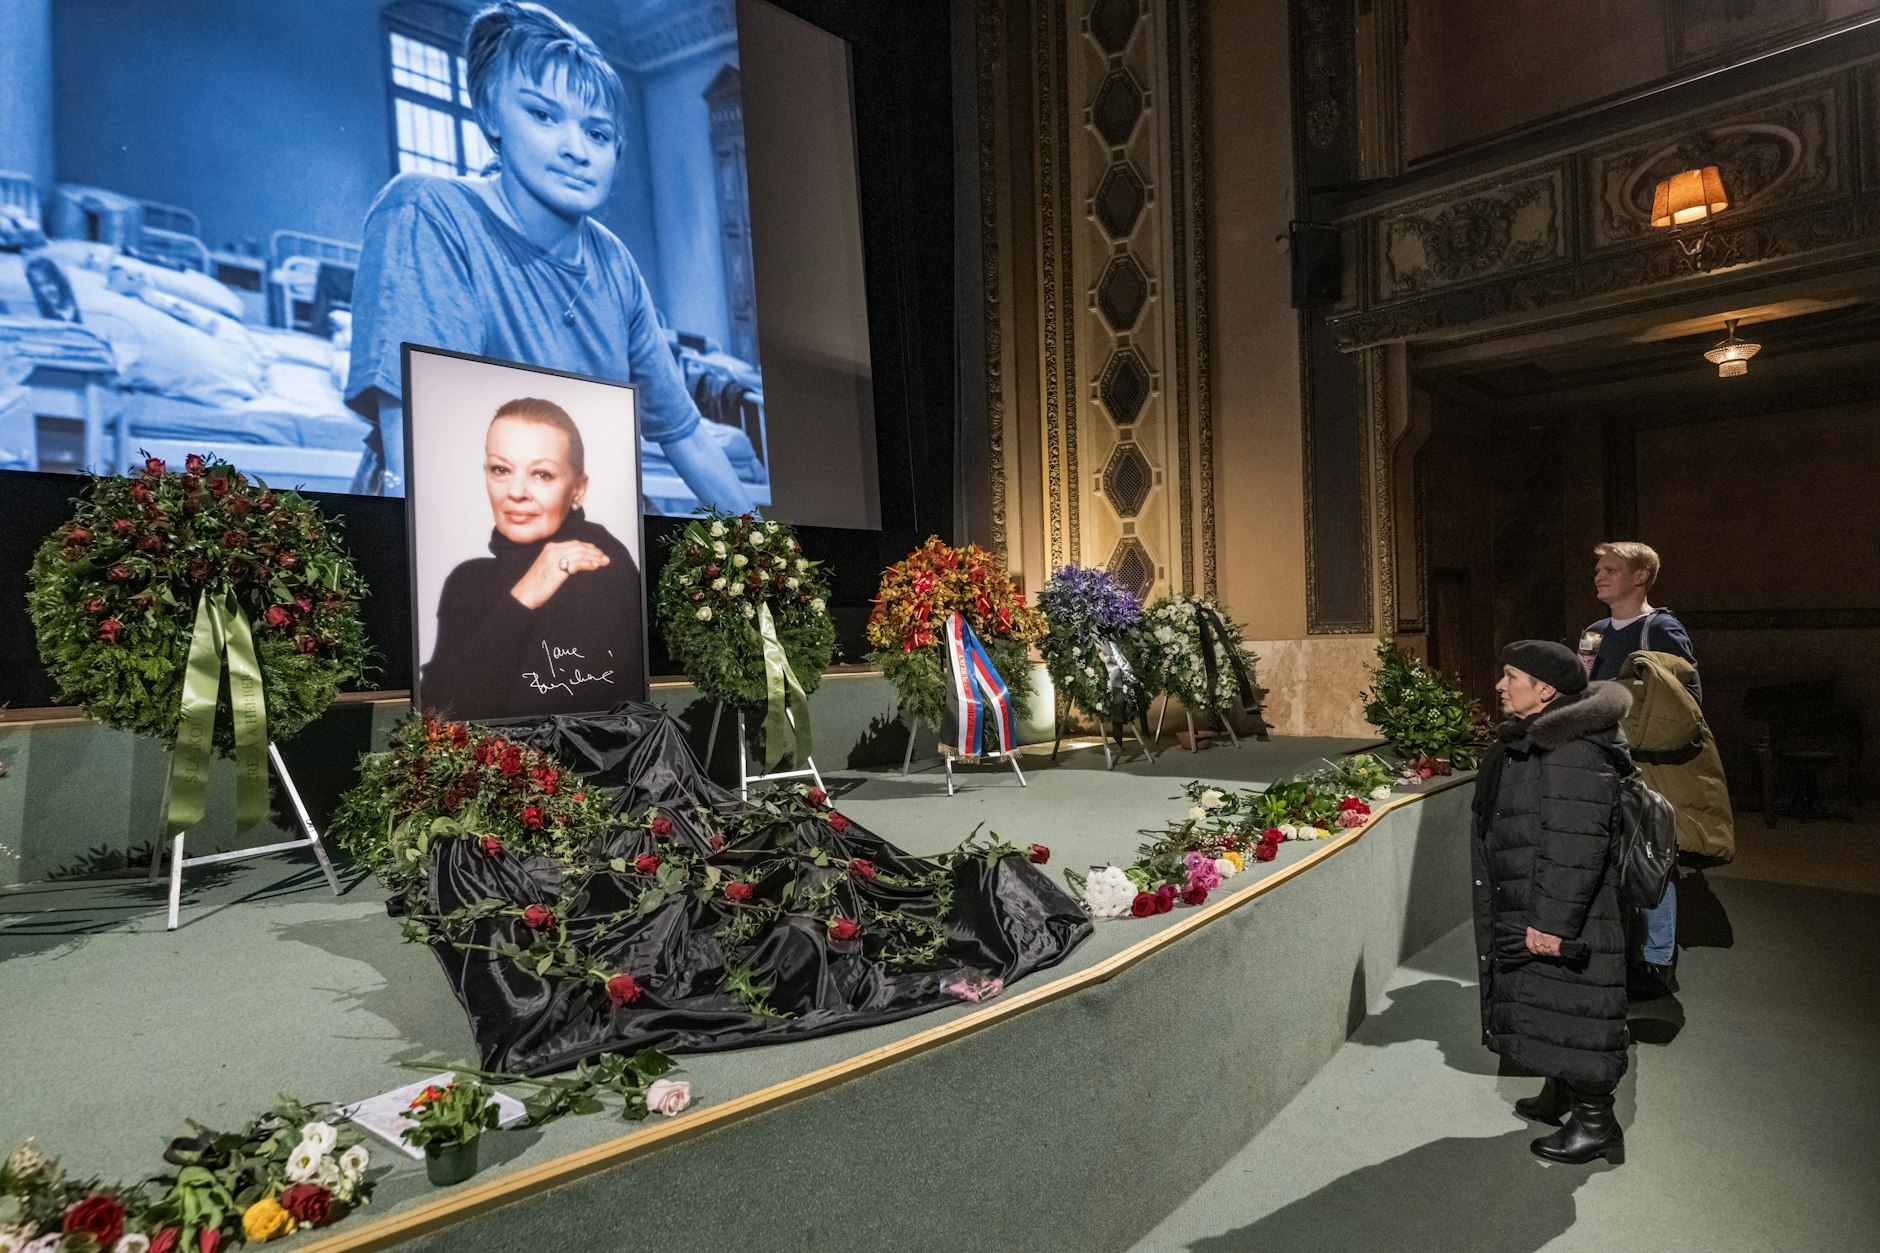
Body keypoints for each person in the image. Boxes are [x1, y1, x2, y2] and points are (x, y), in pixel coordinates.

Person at [345, 0, 754, 515]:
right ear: (491, 115)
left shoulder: (616, 265)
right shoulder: (430, 211)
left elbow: (686, 435)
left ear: (616, 154)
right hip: (460, 524)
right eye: (543, 115)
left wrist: (769, 553)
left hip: (581, 525)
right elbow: (423, 454)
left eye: (597, 133)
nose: (576, 149)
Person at [1473, 640, 1631, 1166]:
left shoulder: (1571, 750)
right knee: (1548, 997)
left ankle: (1595, 1123)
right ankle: (1561, 1088)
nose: (1500, 685)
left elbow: (1575, 843)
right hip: (1533, 890)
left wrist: (1552, 923)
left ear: (1545, 690)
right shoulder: (1544, 737)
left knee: (1577, 1000)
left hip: (1564, 908)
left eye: (1510, 676)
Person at [420, 397, 641, 720]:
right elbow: (437, 713)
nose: (517, 491)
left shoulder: (601, 564)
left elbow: (574, 713)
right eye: (501, 469)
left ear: (578, 489)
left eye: (541, 474)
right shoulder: (467, 581)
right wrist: (524, 596)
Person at [1579, 541, 1697, 999]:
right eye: (1598, 569)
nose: (1599, 576)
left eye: (1611, 569)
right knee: (1606, 858)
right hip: (1599, 760)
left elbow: (1687, 703)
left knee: (1650, 858)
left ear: (1641, 576)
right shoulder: (1592, 632)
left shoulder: (1661, 628)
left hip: (1646, 766)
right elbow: (1581, 689)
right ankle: (1613, 954)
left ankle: (1655, 962)